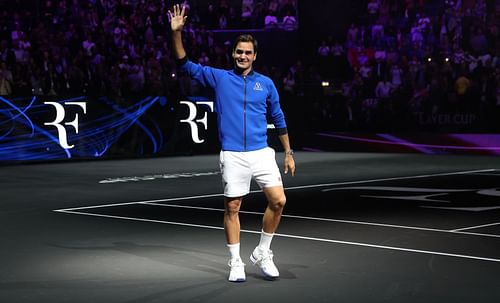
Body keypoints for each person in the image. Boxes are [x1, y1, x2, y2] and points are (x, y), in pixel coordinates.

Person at [169, 4, 296, 282]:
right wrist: (177, 34)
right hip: (233, 154)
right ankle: (236, 261)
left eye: (248, 52)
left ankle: (263, 252)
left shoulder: (267, 83)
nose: (243, 56)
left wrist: (288, 151)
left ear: (254, 56)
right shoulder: (219, 77)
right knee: (233, 208)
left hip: (262, 152)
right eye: (239, 51)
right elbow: (184, 65)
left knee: (279, 201)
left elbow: (278, 116)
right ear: (233, 53)